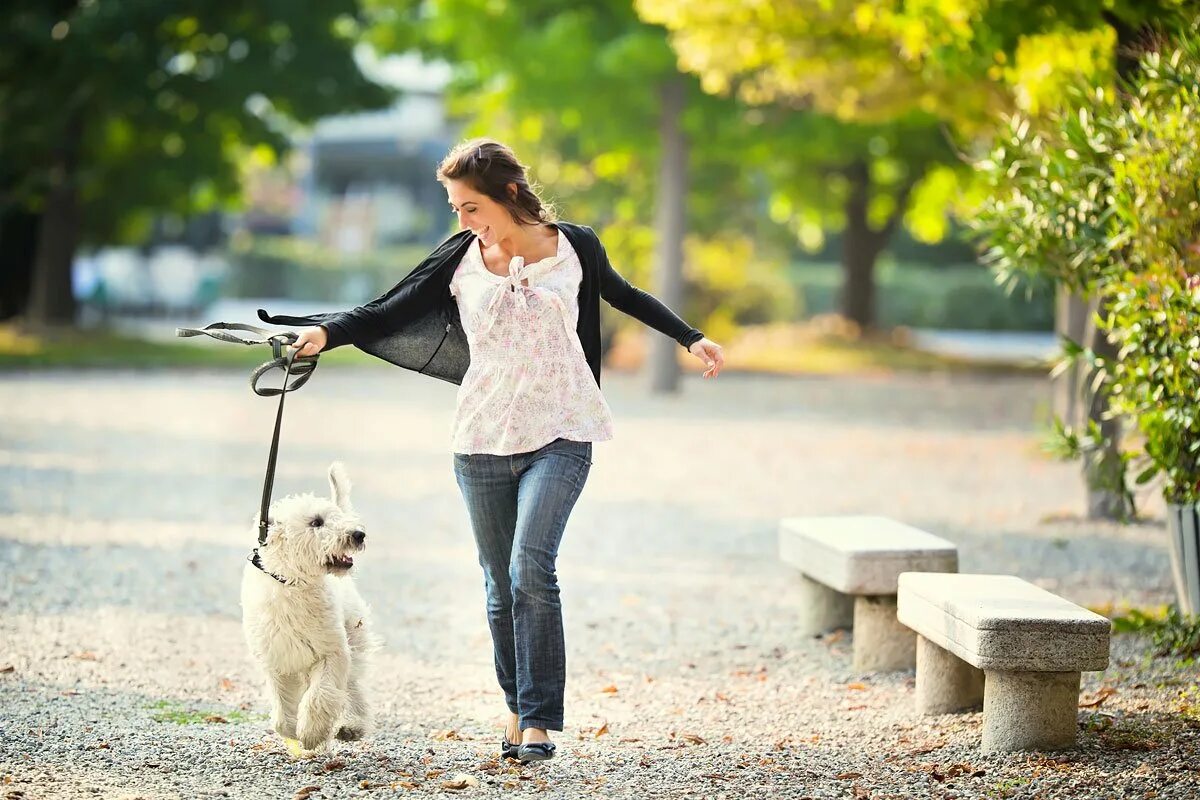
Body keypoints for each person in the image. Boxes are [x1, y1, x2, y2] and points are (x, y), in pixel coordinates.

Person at [275, 138, 724, 762]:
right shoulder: (461, 257)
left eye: (470, 207)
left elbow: (624, 295)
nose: (461, 219)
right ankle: (515, 707)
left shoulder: (576, 246)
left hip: (563, 430)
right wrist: (324, 333)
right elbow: (386, 310)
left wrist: (691, 337)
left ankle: (538, 724)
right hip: (482, 439)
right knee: (497, 583)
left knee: (529, 568)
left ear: (509, 195)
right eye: (455, 208)